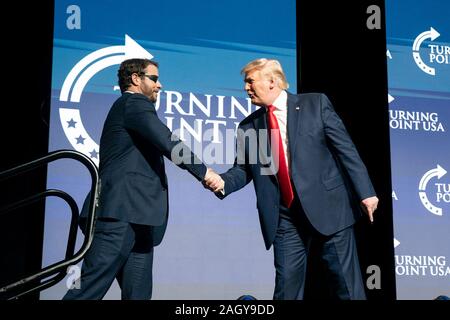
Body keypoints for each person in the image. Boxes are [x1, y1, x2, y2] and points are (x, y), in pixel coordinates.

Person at [205, 58, 378, 300]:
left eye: (250, 81)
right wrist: (222, 182)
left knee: (347, 288)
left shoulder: (315, 104)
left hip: (330, 207)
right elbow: (244, 170)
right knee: (286, 288)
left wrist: (366, 192)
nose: (246, 88)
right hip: (285, 217)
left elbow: (345, 150)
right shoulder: (249, 127)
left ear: (272, 82)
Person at [64, 58, 222, 300]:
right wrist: (204, 171)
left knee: (138, 296)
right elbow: (166, 139)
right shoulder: (133, 103)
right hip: (119, 215)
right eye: (154, 79)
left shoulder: (132, 107)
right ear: (136, 79)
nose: (160, 85)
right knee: (86, 290)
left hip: (140, 220)